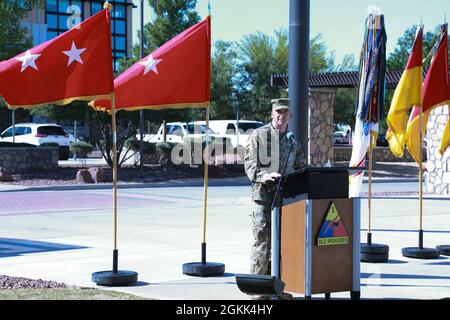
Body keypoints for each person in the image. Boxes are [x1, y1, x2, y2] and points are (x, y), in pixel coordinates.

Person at [244, 98, 307, 299]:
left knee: (284, 244)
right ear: (272, 114)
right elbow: (250, 166)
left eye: (285, 112)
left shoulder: (292, 141)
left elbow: (301, 167)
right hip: (263, 197)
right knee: (263, 241)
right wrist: (265, 176)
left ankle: (278, 288)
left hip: (285, 199)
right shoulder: (259, 136)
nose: (281, 116)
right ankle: (258, 290)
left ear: (290, 116)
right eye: (278, 112)